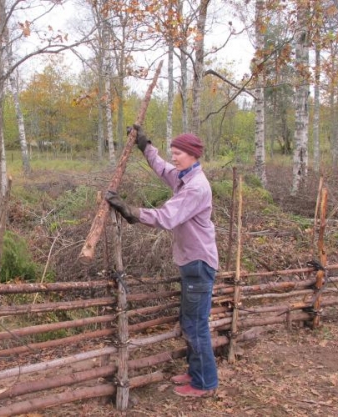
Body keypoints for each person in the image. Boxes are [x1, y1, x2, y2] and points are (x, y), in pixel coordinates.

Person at [105, 125, 219, 398]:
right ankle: (196, 373)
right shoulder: (184, 177)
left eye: (178, 153)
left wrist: (131, 211)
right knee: (190, 322)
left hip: (199, 262)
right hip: (192, 260)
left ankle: (204, 383)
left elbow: (167, 217)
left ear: (192, 155)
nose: (174, 157)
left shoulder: (196, 188)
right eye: (173, 152)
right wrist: (146, 146)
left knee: (196, 326)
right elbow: (164, 169)